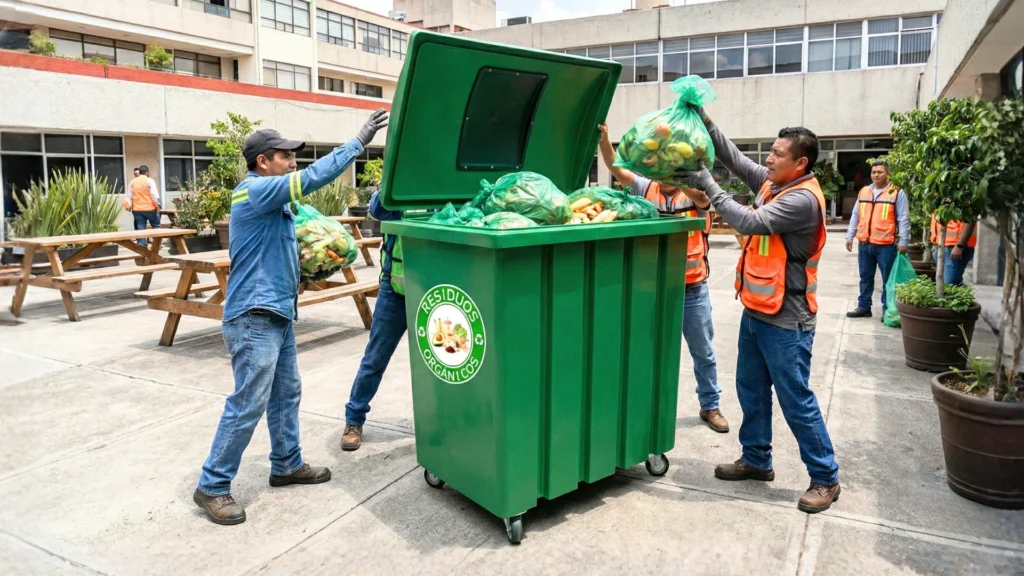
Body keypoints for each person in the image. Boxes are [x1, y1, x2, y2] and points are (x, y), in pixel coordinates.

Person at [193, 109, 390, 525]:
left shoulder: (273, 203)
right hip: (253, 317)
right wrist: (357, 143)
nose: (291, 161)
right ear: (263, 161)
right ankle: (212, 485)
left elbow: (275, 251)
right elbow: (313, 178)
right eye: (284, 155)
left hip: (276, 313)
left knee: (287, 393)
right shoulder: (255, 190)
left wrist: (302, 273)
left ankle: (286, 463)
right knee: (248, 401)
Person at [676, 112, 841, 514]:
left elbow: (747, 221)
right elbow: (733, 157)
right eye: (770, 151)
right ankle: (756, 459)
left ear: (800, 163)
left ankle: (825, 477)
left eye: (777, 154)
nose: (768, 159)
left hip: (788, 320)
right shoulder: (775, 183)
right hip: (757, 311)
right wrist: (704, 118)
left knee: (795, 399)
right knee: (750, 389)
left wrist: (706, 184)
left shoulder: (802, 200)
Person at [596, 124, 728, 433]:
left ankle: (710, 406)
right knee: (644, 347)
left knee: (703, 350)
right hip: (651, 286)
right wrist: (604, 140)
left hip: (692, 288)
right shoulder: (646, 188)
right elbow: (617, 169)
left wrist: (682, 174)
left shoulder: (695, 193)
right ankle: (641, 404)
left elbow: (702, 197)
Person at [341, 191, 405, 450]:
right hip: (396, 290)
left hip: (435, 288)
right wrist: (392, 180)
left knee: (441, 361)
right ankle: (354, 419)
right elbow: (378, 209)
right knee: (375, 358)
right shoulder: (402, 194)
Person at [844, 160, 910, 319]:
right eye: (873, 172)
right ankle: (864, 307)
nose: (876, 175)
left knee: (888, 279)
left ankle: (887, 309)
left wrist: (903, 241)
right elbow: (856, 215)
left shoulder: (896, 193)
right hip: (865, 244)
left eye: (880, 172)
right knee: (865, 276)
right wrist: (850, 235)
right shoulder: (864, 192)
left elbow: (903, 218)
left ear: (888, 174)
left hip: (886, 246)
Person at [930, 214, 977, 286]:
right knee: (944, 284)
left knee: (950, 284)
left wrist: (960, 245)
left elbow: (970, 221)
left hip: (954, 247)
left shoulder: (964, 203)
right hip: (941, 245)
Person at [126, 165, 161, 248]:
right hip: (150, 208)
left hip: (137, 209)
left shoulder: (132, 182)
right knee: (155, 225)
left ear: (140, 172)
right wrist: (158, 205)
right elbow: (154, 195)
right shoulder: (149, 181)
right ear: (147, 172)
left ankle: (141, 245)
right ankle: (156, 244)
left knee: (140, 227)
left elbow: (129, 196)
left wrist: (129, 206)